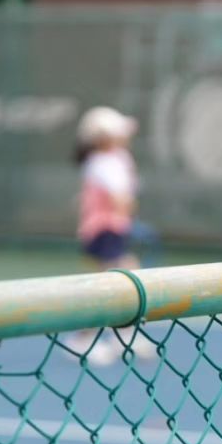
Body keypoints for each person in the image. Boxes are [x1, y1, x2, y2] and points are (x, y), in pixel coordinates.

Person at [70, 105, 152, 366]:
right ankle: (83, 340)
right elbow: (120, 200)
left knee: (124, 277)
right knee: (110, 284)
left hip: (114, 229)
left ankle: (123, 335)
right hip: (103, 231)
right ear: (102, 137)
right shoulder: (103, 163)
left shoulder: (117, 158)